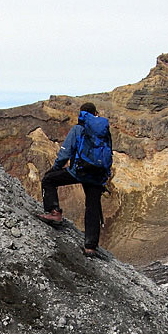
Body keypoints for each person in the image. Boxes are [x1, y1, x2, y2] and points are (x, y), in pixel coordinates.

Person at [38, 102, 112, 257]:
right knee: (92, 207)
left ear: (81, 114)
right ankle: (90, 247)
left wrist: (55, 168)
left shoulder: (78, 129)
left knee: (49, 180)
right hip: (97, 176)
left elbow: (65, 152)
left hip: (79, 171)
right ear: (95, 113)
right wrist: (104, 179)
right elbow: (108, 156)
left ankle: (54, 213)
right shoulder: (104, 132)